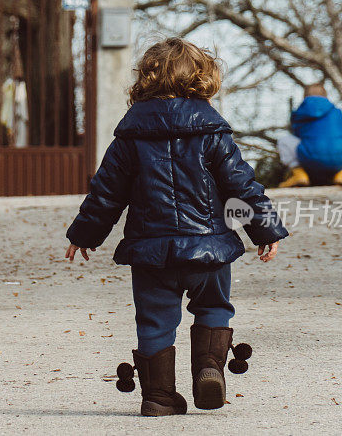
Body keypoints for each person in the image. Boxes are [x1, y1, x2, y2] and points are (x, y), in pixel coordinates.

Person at [64, 38, 288, 416]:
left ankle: (158, 397)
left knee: (154, 320)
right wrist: (265, 229)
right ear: (203, 81)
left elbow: (106, 192)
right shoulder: (212, 132)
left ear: (144, 81)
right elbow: (240, 185)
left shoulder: (129, 136)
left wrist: (83, 235)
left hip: (152, 253)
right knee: (214, 307)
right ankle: (208, 367)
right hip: (210, 249)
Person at [278, 84, 342, 187]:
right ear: (325, 96)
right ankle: (340, 174)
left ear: (305, 96)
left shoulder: (299, 113)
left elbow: (298, 134)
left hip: (311, 156)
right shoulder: (338, 112)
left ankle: (299, 174)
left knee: (284, 141)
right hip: (340, 158)